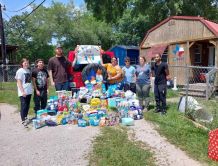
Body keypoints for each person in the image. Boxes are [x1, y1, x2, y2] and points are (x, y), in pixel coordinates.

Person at [15, 58, 33, 128]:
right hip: (23, 92)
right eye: (25, 63)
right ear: (22, 63)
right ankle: (23, 120)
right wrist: (22, 91)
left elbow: (29, 81)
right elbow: (19, 82)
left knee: (27, 105)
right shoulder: (20, 71)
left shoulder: (28, 70)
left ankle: (25, 117)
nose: (26, 64)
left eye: (27, 63)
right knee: (24, 106)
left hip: (29, 91)